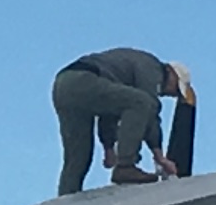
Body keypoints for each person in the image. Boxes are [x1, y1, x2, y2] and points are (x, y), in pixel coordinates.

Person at [51, 47, 192, 194]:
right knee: (141, 102)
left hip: (64, 86)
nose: (169, 94)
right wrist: (159, 155)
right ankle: (125, 166)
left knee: (78, 157)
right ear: (171, 73)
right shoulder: (152, 68)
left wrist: (109, 147)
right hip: (83, 80)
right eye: (175, 89)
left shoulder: (125, 77)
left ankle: (66, 199)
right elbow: (149, 108)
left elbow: (108, 112)